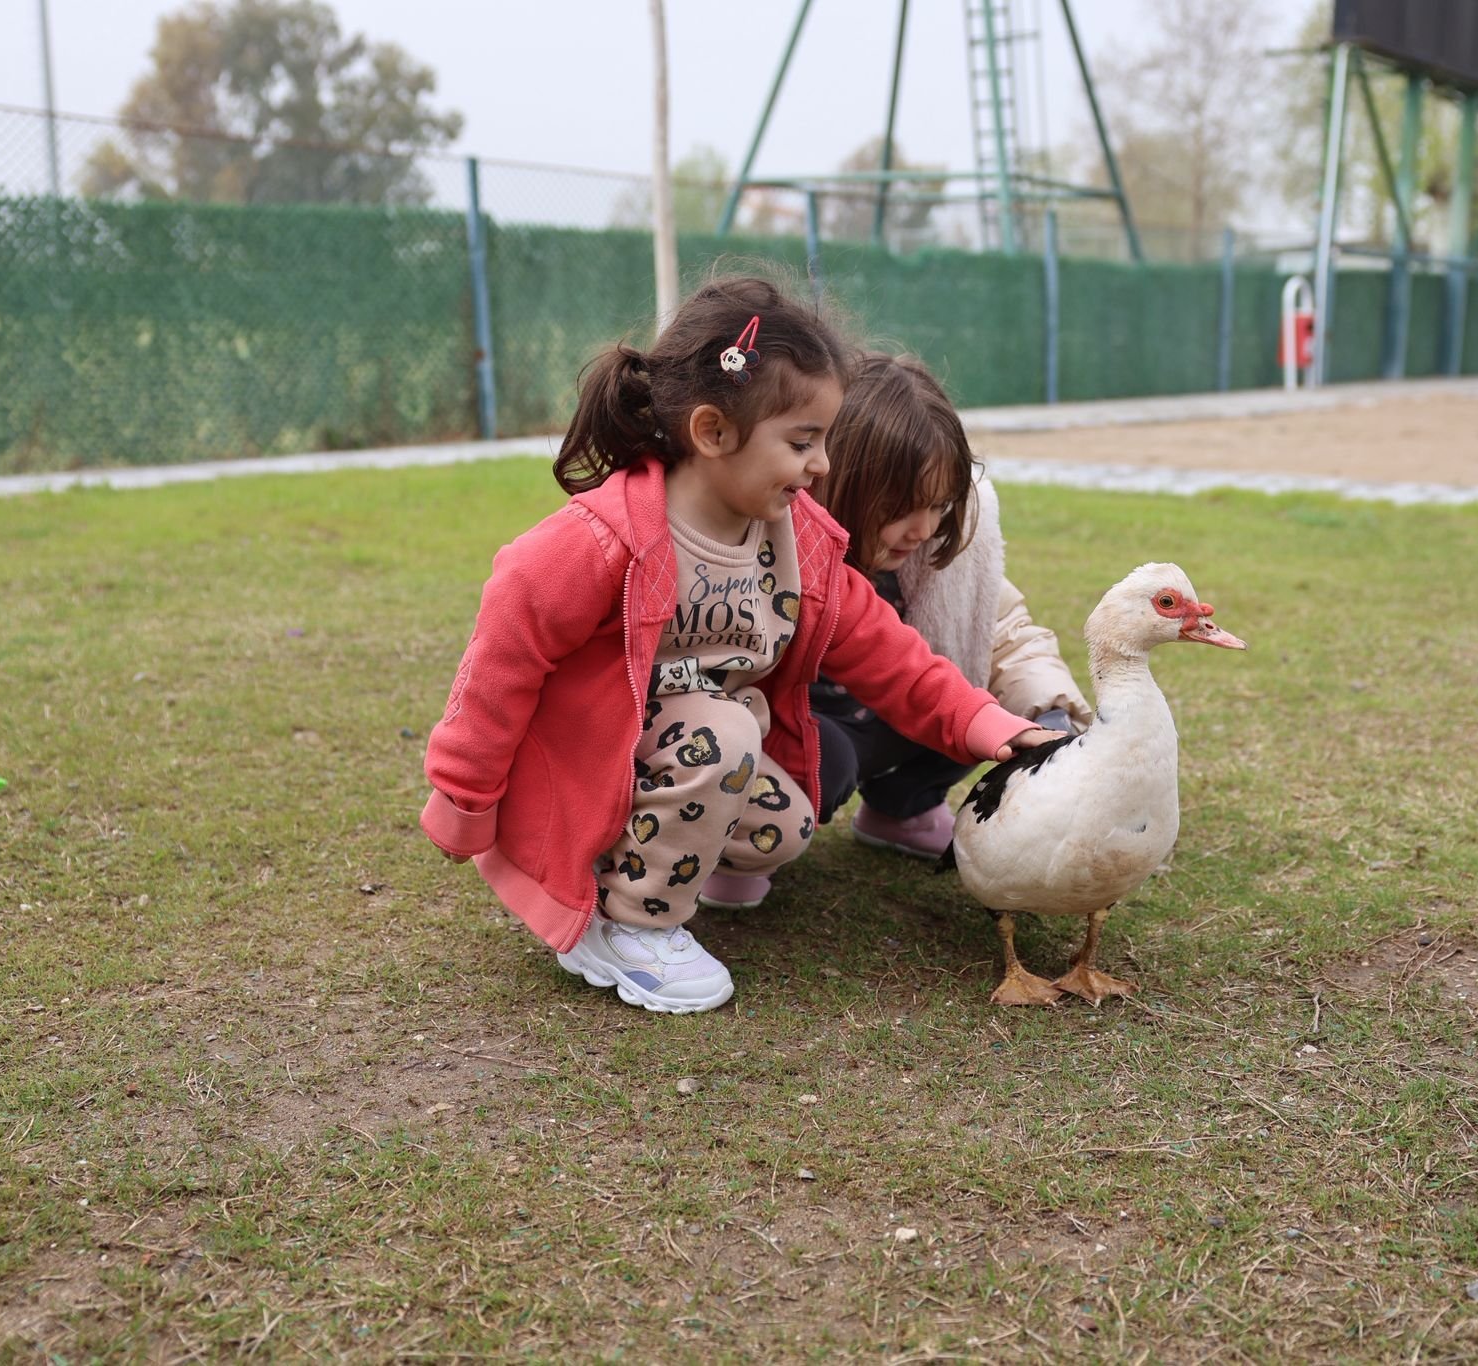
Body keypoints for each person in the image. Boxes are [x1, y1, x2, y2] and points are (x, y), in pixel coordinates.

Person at [419, 276, 1059, 1015]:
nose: (823, 464)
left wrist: (993, 725)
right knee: (722, 730)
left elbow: (892, 656)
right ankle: (632, 928)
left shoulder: (802, 546)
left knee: (781, 829)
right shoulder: (604, 538)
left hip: (691, 758)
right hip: (593, 761)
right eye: (802, 441)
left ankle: (613, 864)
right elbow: (502, 658)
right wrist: (465, 795)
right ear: (713, 433)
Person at [812, 351, 1093, 860]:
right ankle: (744, 842)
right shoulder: (794, 561)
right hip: (821, 727)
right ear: (841, 480)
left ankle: (902, 808)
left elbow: (1005, 632)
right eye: (900, 509)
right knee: (818, 760)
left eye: (940, 506)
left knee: (983, 701)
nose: (923, 530)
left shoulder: (946, 558)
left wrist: (1051, 714)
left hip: (904, 718)